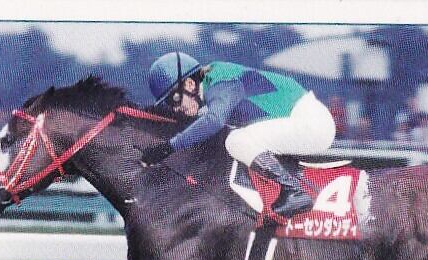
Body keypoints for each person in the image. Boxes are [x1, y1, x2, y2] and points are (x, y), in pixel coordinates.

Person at [142, 51, 336, 220]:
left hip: (313, 124)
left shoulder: (222, 82)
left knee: (237, 140)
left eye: (174, 99)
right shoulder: (214, 83)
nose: (176, 109)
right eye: (169, 104)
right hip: (304, 121)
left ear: (190, 84)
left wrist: (168, 147)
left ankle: (295, 191)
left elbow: (214, 121)